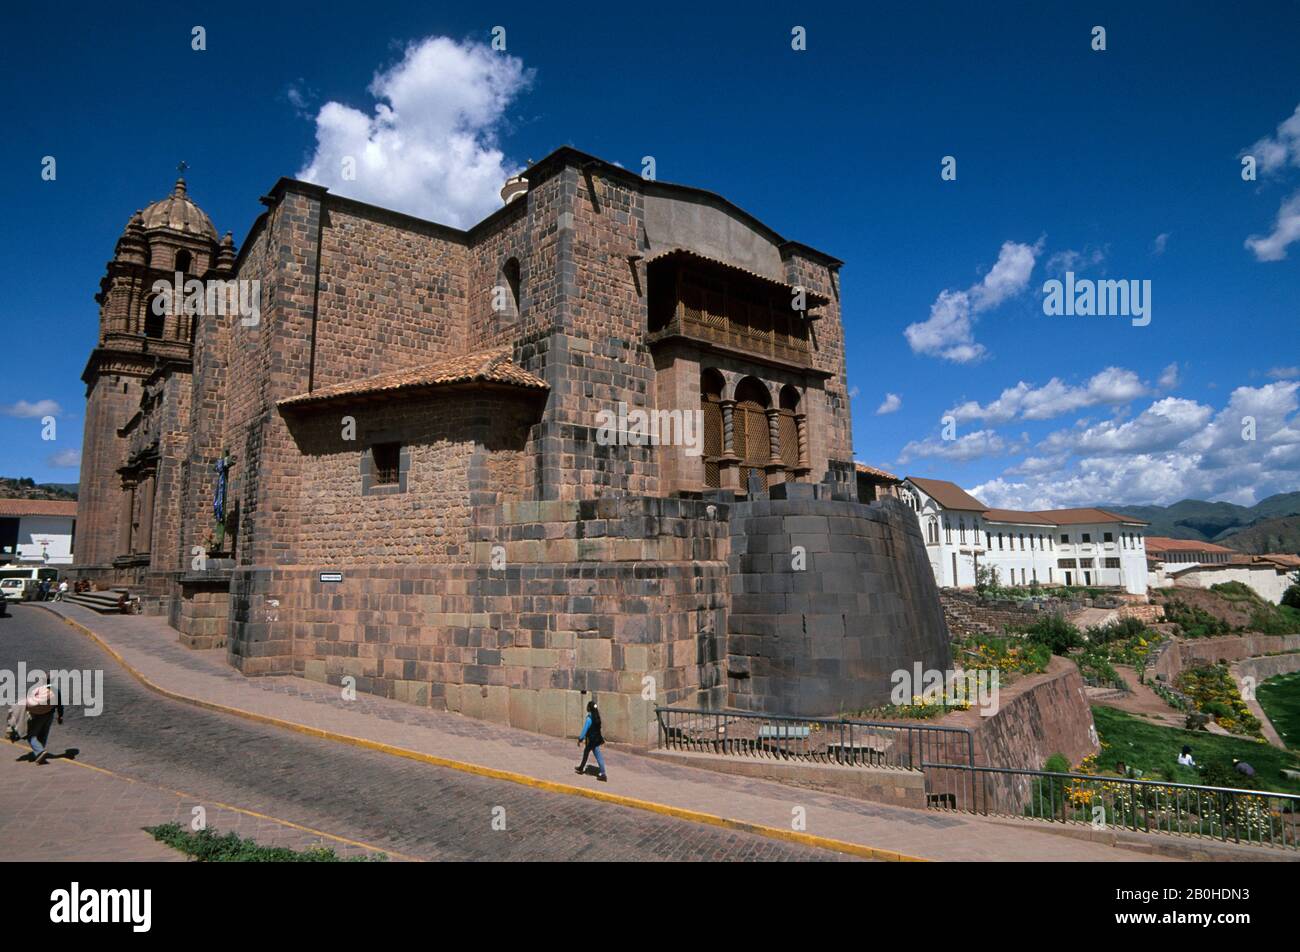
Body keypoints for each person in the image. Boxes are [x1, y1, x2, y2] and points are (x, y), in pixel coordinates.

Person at [24, 678, 63, 764]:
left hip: (37, 716)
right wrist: (60, 716)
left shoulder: (36, 690)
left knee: (31, 735)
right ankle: (40, 755)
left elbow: (29, 702)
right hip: (49, 716)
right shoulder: (56, 691)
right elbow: (60, 705)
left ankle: (40, 751)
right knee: (43, 735)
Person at [574, 700, 608, 782]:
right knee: (587, 752)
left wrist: (580, 739)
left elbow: (584, 730)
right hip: (596, 739)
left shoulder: (589, 718)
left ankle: (603, 774)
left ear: (589, 708)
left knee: (596, 755)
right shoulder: (597, 717)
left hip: (591, 740)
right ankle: (581, 768)